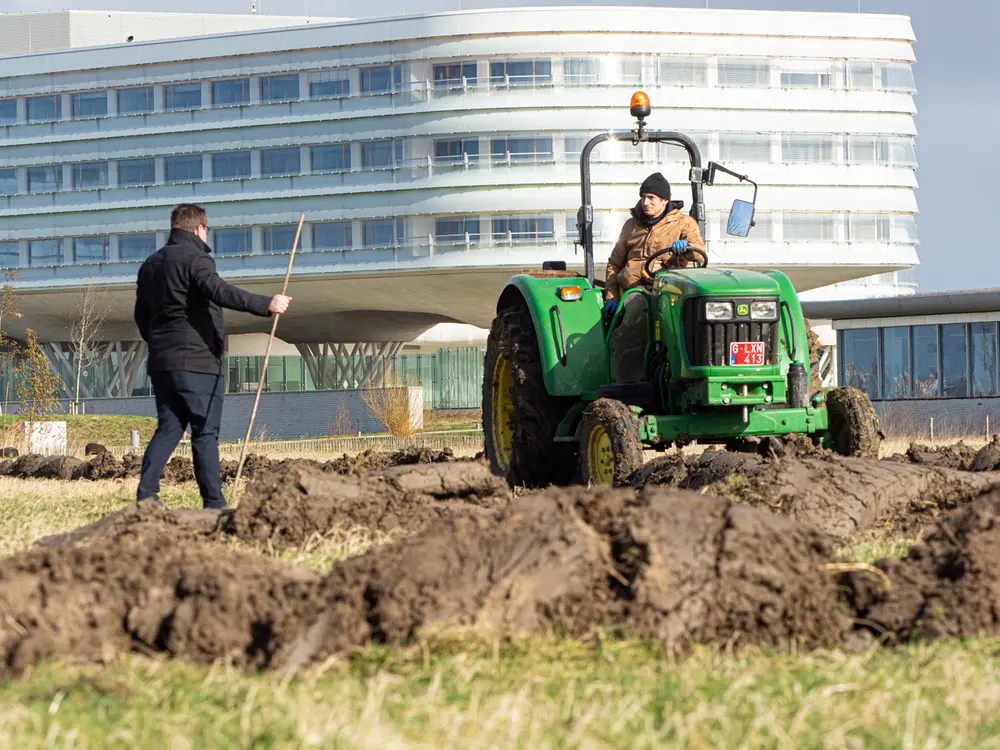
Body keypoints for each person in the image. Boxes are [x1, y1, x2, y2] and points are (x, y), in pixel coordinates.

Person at [134, 203, 291, 509]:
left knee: (168, 428)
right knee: (205, 433)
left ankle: (147, 496)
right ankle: (214, 503)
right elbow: (219, 290)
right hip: (198, 362)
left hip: (162, 363)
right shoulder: (197, 259)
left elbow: (142, 316)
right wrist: (267, 304)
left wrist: (158, 343)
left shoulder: (150, 265)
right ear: (199, 228)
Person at [603, 173, 707, 382]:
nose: (645, 202)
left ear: (664, 200)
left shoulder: (684, 224)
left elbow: (699, 253)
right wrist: (611, 297)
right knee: (635, 315)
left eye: (651, 197)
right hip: (633, 290)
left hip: (668, 290)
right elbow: (614, 264)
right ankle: (629, 386)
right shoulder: (631, 226)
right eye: (643, 197)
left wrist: (686, 248)